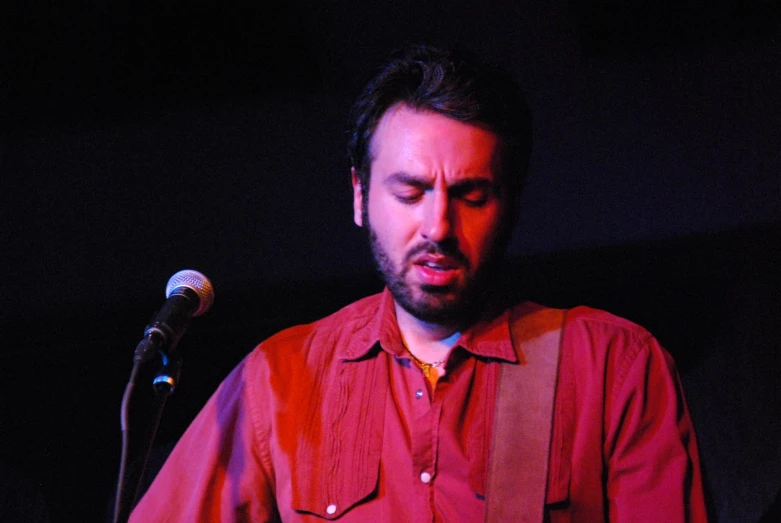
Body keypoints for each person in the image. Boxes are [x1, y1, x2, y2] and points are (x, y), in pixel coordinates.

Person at [130, 45, 707, 522]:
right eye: (410, 193)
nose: (438, 226)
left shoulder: (614, 366)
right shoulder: (280, 378)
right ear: (359, 195)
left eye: (470, 195)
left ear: (509, 204)